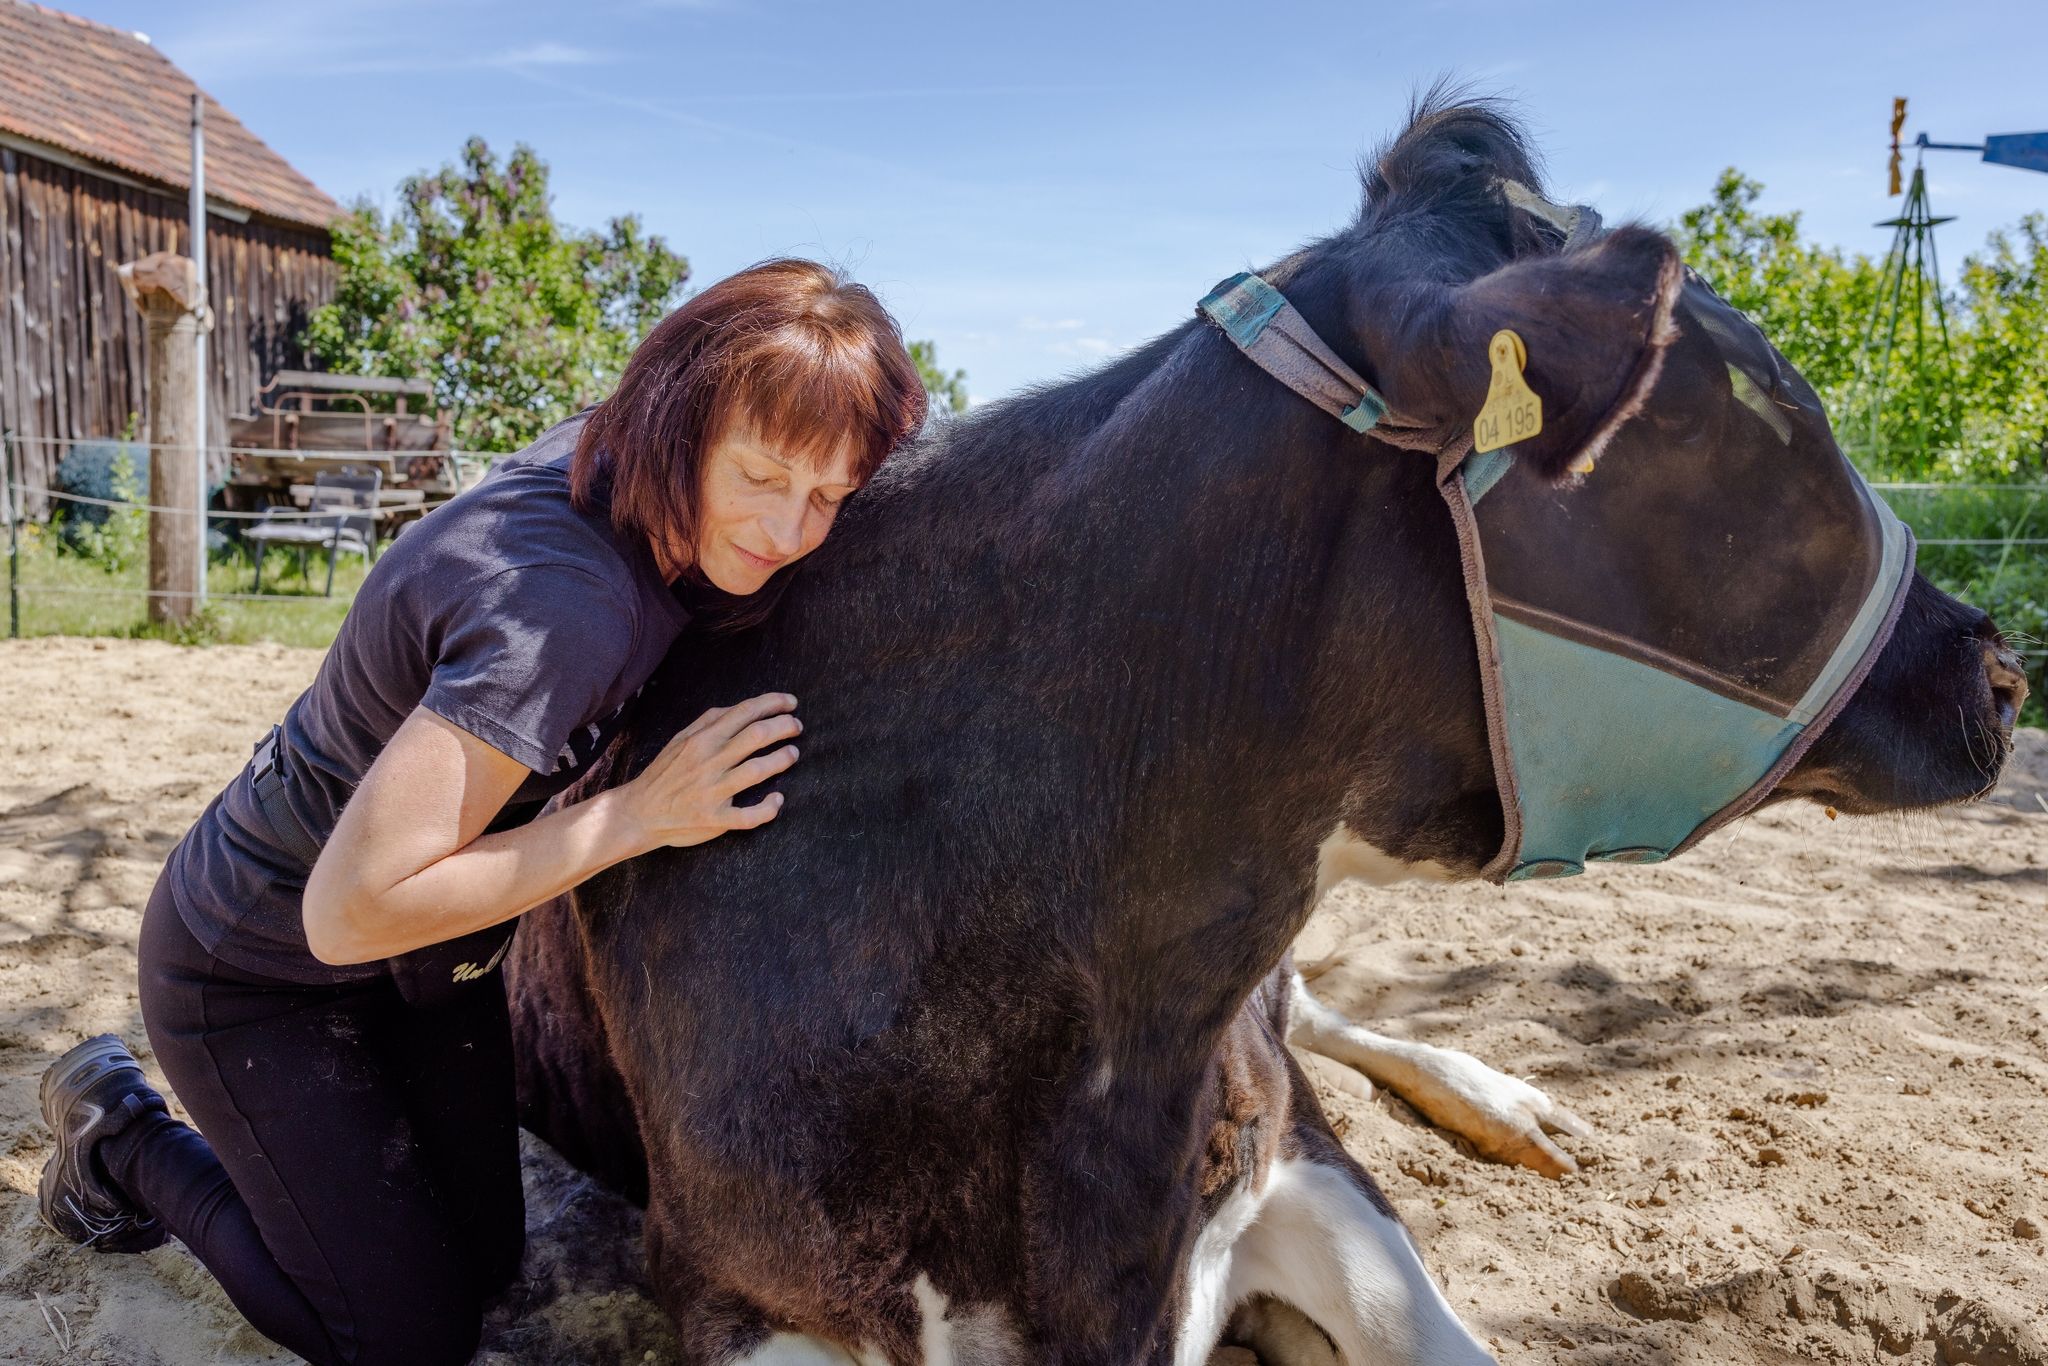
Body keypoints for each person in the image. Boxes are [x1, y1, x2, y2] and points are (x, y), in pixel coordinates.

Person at [37, 259, 927, 1365]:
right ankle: (119, 1132)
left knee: (490, 1259)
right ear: (681, 416)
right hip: (258, 968)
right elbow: (349, 910)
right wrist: (642, 814)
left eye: (830, 496)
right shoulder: (564, 609)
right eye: (762, 474)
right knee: (399, 1334)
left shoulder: (626, 467)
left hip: (434, 957)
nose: (790, 528)